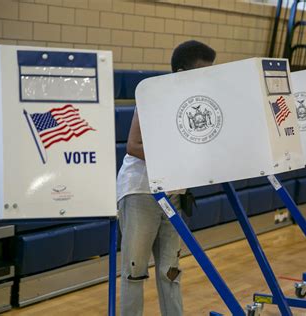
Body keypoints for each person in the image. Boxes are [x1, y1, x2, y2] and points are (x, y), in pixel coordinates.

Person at [116, 40, 216, 316]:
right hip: (140, 192)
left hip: (173, 193)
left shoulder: (199, 104)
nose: (205, 79)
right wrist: (178, 157)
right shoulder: (153, 96)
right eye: (200, 72)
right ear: (180, 71)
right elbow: (133, 146)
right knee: (134, 272)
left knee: (171, 271)